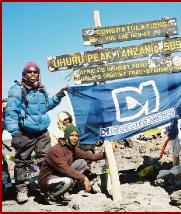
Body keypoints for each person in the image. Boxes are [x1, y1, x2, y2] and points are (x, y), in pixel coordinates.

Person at [4, 62, 67, 203]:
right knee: (21, 161)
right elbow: (11, 113)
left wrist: (59, 95)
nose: (33, 74)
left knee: (46, 161)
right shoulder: (17, 90)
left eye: (35, 72)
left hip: (42, 133)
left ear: (39, 73)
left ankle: (46, 187)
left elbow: (46, 106)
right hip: (25, 133)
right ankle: (21, 189)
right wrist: (14, 133)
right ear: (24, 74)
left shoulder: (41, 90)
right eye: (30, 72)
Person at [38, 124, 106, 204]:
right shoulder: (56, 150)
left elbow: (89, 156)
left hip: (59, 174)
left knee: (82, 162)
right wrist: (84, 178)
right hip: (47, 179)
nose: (74, 138)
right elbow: (65, 169)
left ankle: (68, 189)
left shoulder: (72, 148)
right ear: (66, 136)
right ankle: (50, 196)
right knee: (68, 181)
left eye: (76, 136)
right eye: (72, 135)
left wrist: (106, 154)